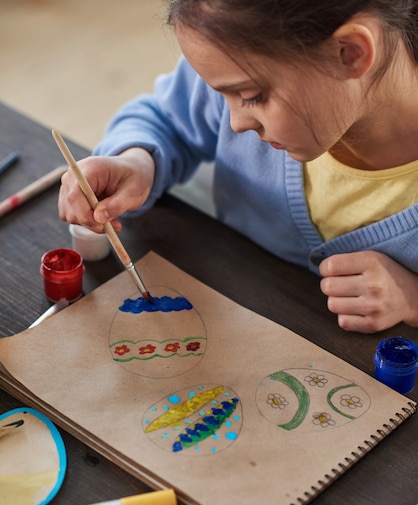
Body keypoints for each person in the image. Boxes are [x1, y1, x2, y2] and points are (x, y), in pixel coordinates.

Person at [58, 0, 418, 334]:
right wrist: (136, 161)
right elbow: (165, 120)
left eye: (251, 97)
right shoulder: (233, 56)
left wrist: (411, 298)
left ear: (349, 53)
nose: (235, 124)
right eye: (221, 95)